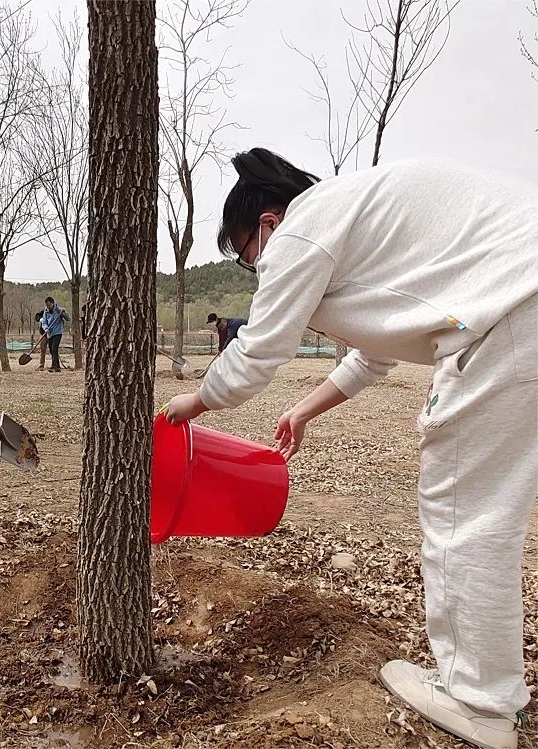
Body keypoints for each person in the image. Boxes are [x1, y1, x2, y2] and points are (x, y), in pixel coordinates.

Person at [165, 149, 537, 749]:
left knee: (465, 515)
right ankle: (485, 685)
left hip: (508, 319)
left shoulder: (301, 231)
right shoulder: (352, 225)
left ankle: (480, 702)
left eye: (246, 255)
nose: (256, 269)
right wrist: (305, 408)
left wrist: (197, 401)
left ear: (266, 222)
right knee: (485, 510)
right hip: (521, 301)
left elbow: (258, 351)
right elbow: (376, 352)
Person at [40, 297, 68, 373]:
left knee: (54, 348)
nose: (48, 307)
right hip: (49, 333)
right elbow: (44, 322)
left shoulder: (58, 310)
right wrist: (46, 329)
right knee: (52, 350)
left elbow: (67, 318)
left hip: (57, 332)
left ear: (53, 303)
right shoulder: (46, 311)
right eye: (47, 305)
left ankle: (56, 367)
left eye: (49, 305)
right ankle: (54, 365)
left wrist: (63, 313)